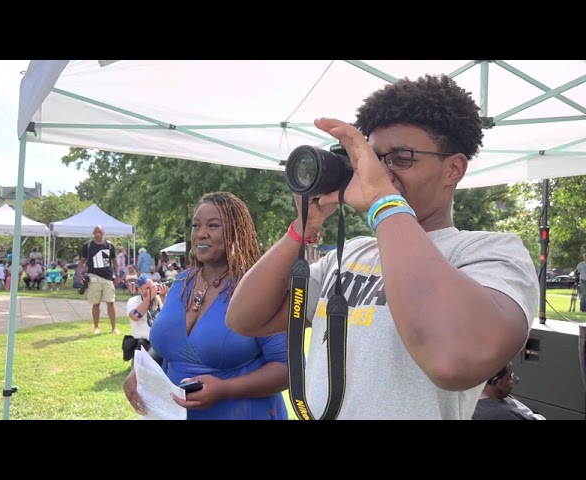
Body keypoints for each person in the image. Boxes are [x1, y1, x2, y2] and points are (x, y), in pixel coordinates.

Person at [226, 74, 540, 420]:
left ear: (453, 169)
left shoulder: (489, 253)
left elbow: (454, 360)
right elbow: (245, 318)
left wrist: (384, 201)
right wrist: (303, 227)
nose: (378, 173)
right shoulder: (351, 254)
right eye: (372, 159)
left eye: (400, 157)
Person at [123, 192, 289, 420]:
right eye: (196, 225)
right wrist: (140, 371)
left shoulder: (260, 288)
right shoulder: (182, 281)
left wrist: (225, 389)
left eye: (213, 226)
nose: (201, 233)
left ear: (236, 232)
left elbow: (287, 368)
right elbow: (164, 347)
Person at [76, 225, 120, 334]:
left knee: (110, 302)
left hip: (108, 277)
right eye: (95, 232)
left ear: (103, 233)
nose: (97, 234)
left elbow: (115, 261)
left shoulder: (109, 246)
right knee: (96, 303)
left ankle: (114, 328)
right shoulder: (88, 246)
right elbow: (82, 261)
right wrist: (78, 272)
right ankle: (96, 327)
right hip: (93, 276)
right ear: (93, 233)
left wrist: (117, 275)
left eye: (100, 232)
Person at [472, 362, 545, 420]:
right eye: (510, 376)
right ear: (496, 382)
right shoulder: (504, 414)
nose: (513, 381)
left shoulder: (472, 402)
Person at [122, 276, 168, 362]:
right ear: (139, 290)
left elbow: (169, 318)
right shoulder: (133, 301)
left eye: (152, 287)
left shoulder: (160, 299)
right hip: (142, 343)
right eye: (147, 288)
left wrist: (163, 297)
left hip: (158, 342)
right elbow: (135, 316)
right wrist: (149, 298)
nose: (151, 290)